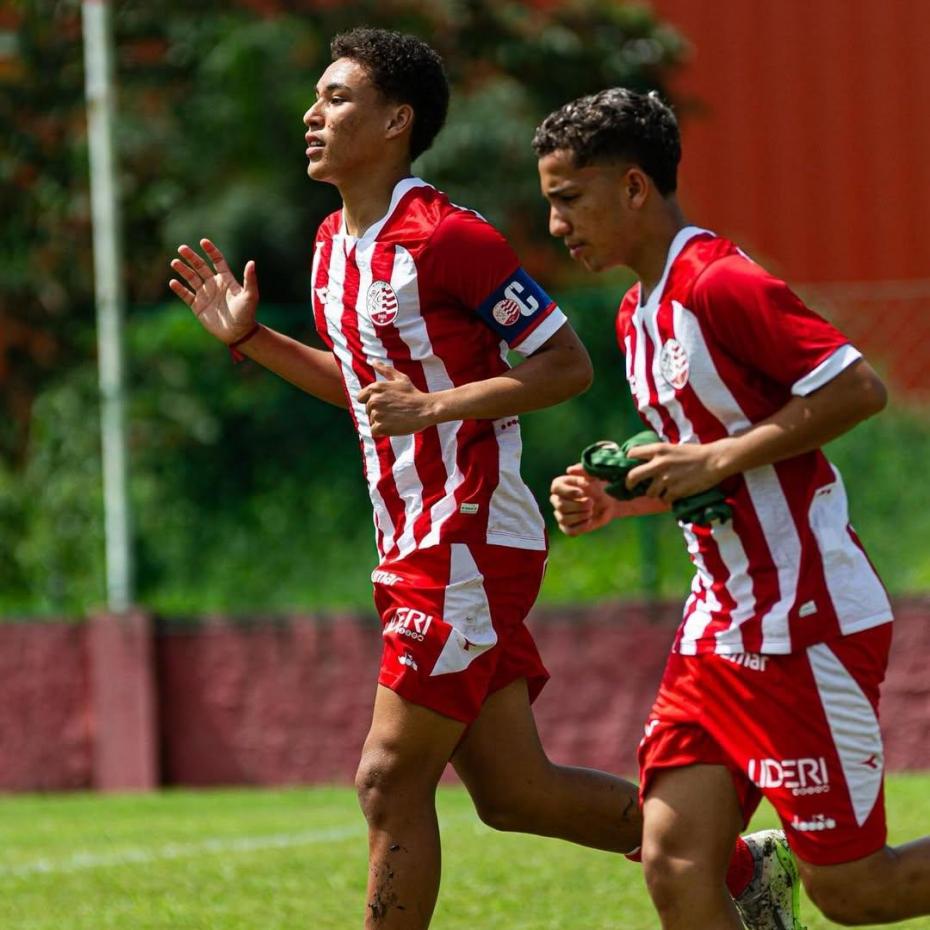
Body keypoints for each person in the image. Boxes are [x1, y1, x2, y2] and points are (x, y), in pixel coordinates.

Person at [169, 29, 793, 930]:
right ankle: (737, 868)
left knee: (386, 778)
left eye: (337, 98)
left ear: (395, 121)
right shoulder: (330, 248)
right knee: (516, 793)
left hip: (465, 538)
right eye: (316, 98)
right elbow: (362, 396)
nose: (313, 114)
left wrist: (435, 408)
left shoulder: (448, 238)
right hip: (410, 541)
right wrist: (249, 340)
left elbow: (566, 365)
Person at [537, 86, 930, 930]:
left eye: (569, 198)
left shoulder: (721, 282)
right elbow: (707, 466)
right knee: (676, 860)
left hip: (806, 619)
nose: (558, 223)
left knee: (855, 893)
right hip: (718, 627)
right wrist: (621, 500)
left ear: (634, 188)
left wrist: (717, 453)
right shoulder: (638, 315)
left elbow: (857, 389)